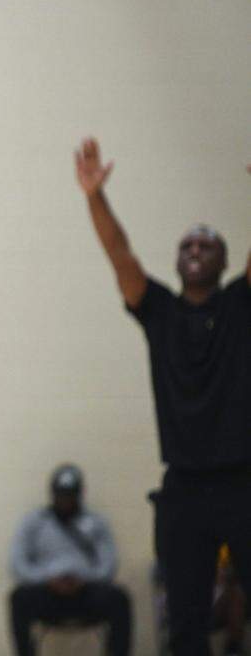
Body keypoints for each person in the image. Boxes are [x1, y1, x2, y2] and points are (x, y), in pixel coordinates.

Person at [76, 138, 251, 656]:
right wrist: (94, 197)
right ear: (177, 262)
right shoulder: (159, 312)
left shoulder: (242, 305)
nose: (195, 251)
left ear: (223, 261)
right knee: (186, 626)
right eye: (187, 246)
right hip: (183, 490)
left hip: (244, 483)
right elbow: (120, 253)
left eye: (206, 245)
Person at [8, 464, 132, 656]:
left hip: (85, 592)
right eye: (61, 494)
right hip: (48, 592)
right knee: (18, 598)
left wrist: (83, 579)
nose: (65, 500)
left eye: (70, 495)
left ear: (79, 494)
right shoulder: (35, 522)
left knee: (119, 599)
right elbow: (18, 563)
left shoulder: (96, 523)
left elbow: (108, 564)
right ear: (52, 493)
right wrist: (48, 579)